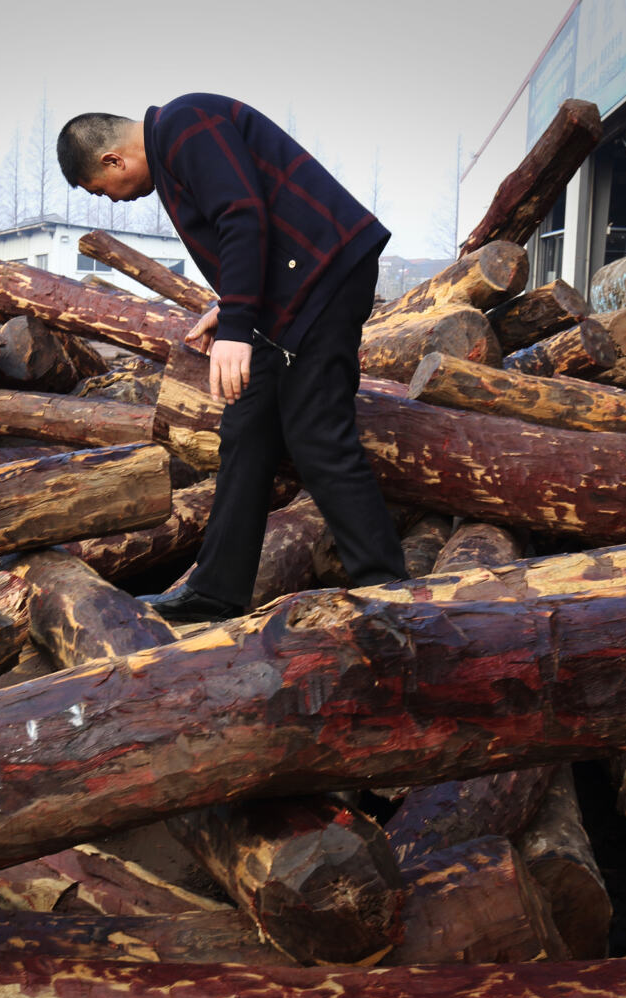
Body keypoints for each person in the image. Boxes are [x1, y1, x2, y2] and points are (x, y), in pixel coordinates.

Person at [56, 94, 408, 622]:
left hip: (324, 279)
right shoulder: (176, 144)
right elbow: (258, 212)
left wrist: (238, 324)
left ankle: (390, 593)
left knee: (317, 432)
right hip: (292, 290)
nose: (110, 201)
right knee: (246, 432)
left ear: (114, 160)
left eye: (100, 190)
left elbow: (241, 215)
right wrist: (230, 308)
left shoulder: (184, 124)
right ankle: (216, 590)